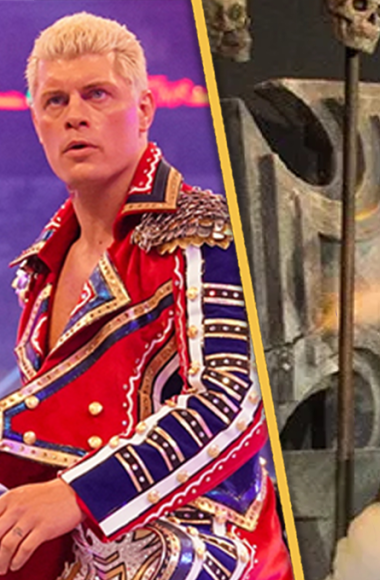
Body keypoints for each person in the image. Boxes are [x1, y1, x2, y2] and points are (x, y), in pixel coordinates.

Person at [2, 12, 292, 580]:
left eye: (97, 94)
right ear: (37, 122)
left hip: (206, 544)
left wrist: (81, 494)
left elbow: (234, 399)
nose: (75, 115)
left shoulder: (204, 230)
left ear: (143, 110)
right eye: (55, 101)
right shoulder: (40, 268)